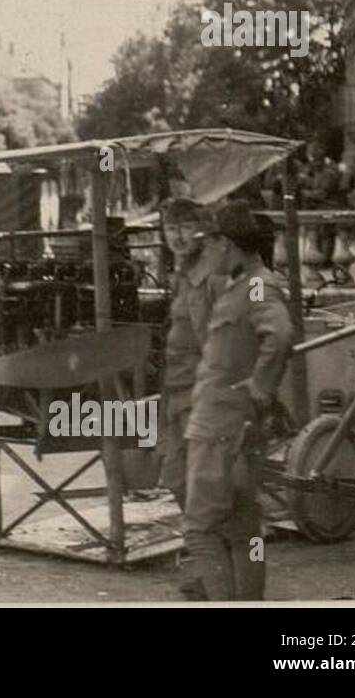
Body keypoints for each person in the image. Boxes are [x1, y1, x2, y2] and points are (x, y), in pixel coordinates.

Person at [184, 201, 293, 601]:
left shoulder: (258, 285)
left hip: (222, 430)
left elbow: (279, 336)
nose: (204, 252)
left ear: (225, 243)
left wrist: (259, 390)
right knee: (242, 530)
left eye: (208, 244)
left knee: (202, 530)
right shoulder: (241, 284)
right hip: (228, 427)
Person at [157, 199, 221, 513]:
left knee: (196, 478)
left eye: (185, 227)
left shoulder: (209, 275)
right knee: (175, 475)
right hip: (177, 387)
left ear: (201, 230)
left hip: (199, 390)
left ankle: (212, 543)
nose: (178, 237)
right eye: (171, 228)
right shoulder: (182, 272)